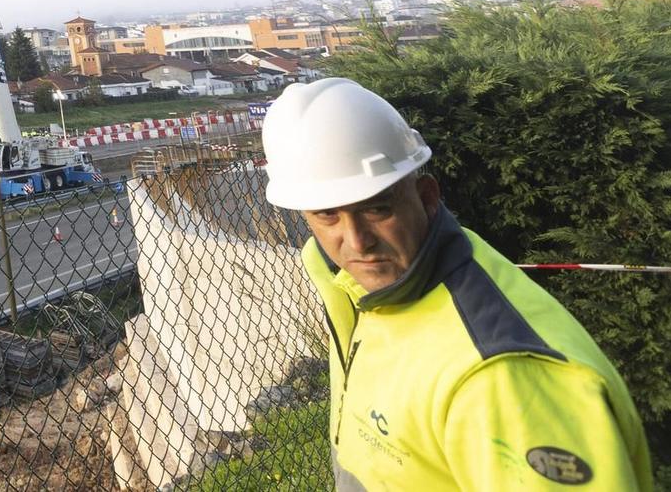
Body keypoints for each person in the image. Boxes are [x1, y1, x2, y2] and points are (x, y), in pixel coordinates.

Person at [261, 79, 651, 490]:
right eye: (327, 215)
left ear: (427, 197)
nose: (356, 241)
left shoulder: (501, 376)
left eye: (377, 208)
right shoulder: (346, 281)